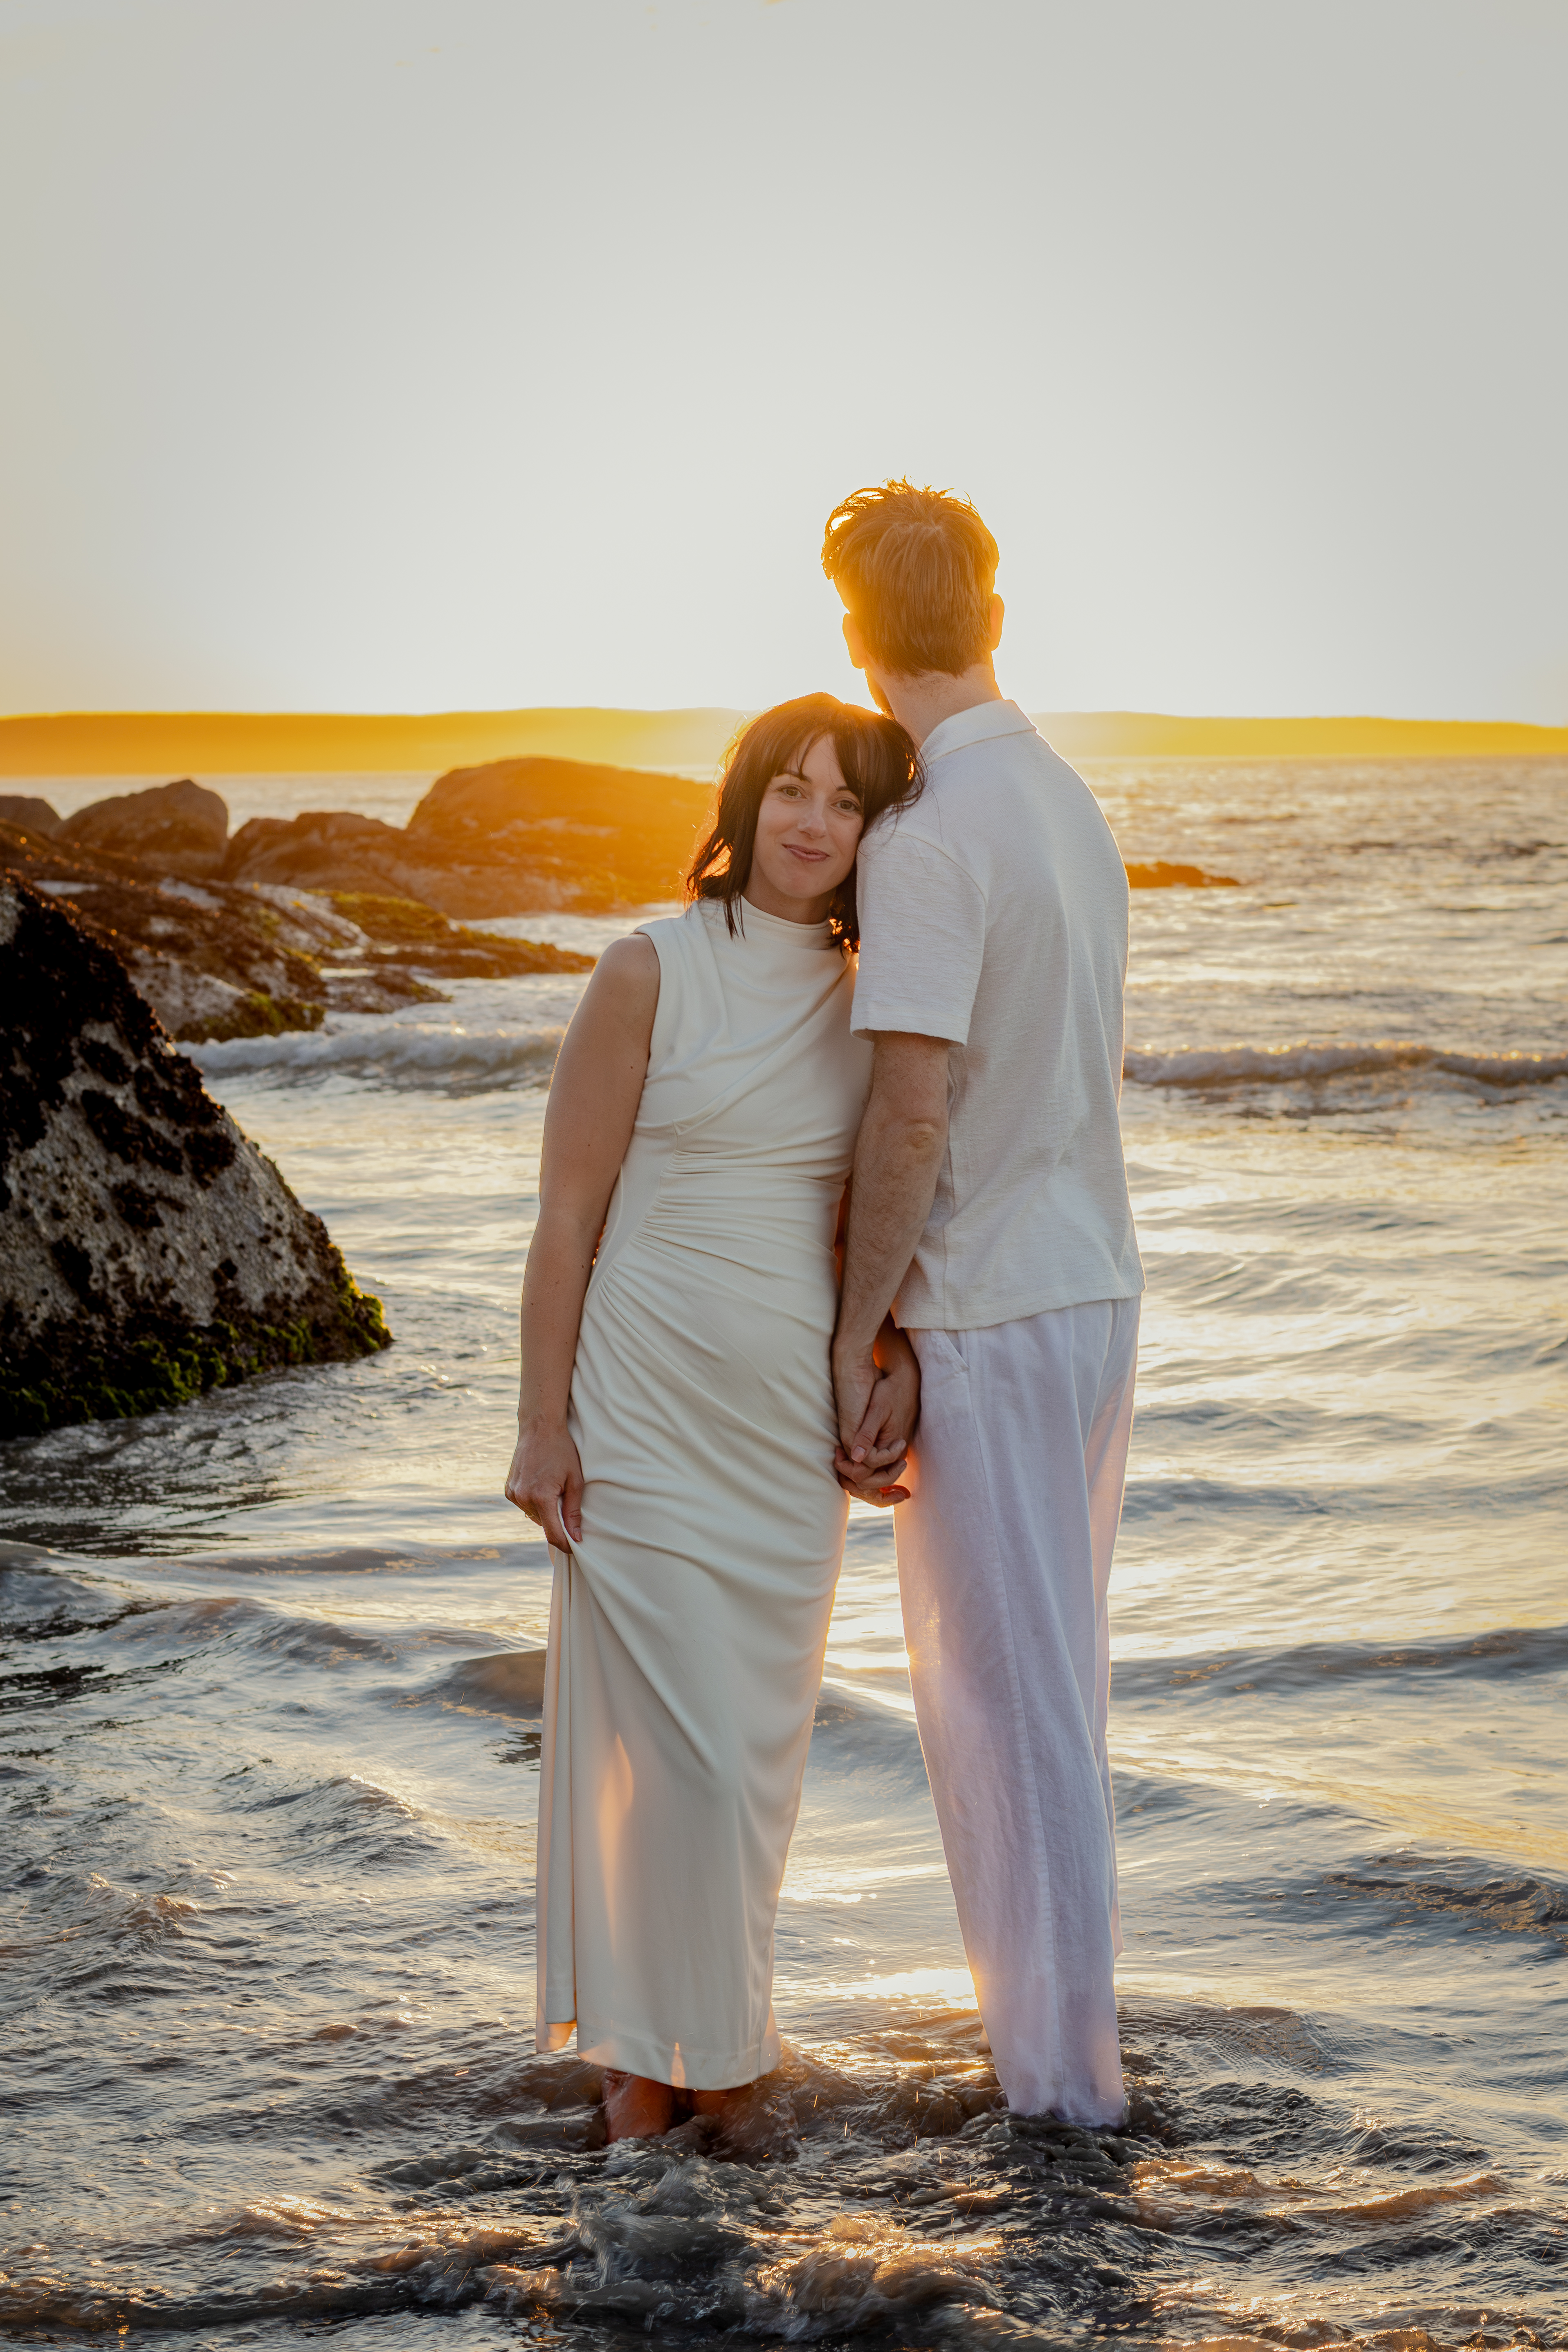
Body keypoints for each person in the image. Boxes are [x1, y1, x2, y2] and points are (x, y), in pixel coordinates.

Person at [504, 693, 923, 2141]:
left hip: (776, 1448)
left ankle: (670, 2066)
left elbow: (884, 1227)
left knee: (740, 1778)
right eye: (791, 790)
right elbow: (565, 1219)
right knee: (667, 1762)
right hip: (641, 1411)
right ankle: (679, 2078)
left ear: (878, 835)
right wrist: (538, 1425)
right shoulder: (646, 969)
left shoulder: (881, 999)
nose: (814, 824)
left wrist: (897, 1364)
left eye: (850, 804)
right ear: (741, 801)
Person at [823, 481, 1144, 2128]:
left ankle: (1059, 2104)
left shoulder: (934, 836)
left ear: (859, 642)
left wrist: (854, 1328)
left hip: (998, 1313)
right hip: (1091, 1288)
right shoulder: (1063, 799)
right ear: (994, 618)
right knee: (1052, 1699)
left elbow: (910, 1110)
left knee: (1000, 1716)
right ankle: (1072, 2070)